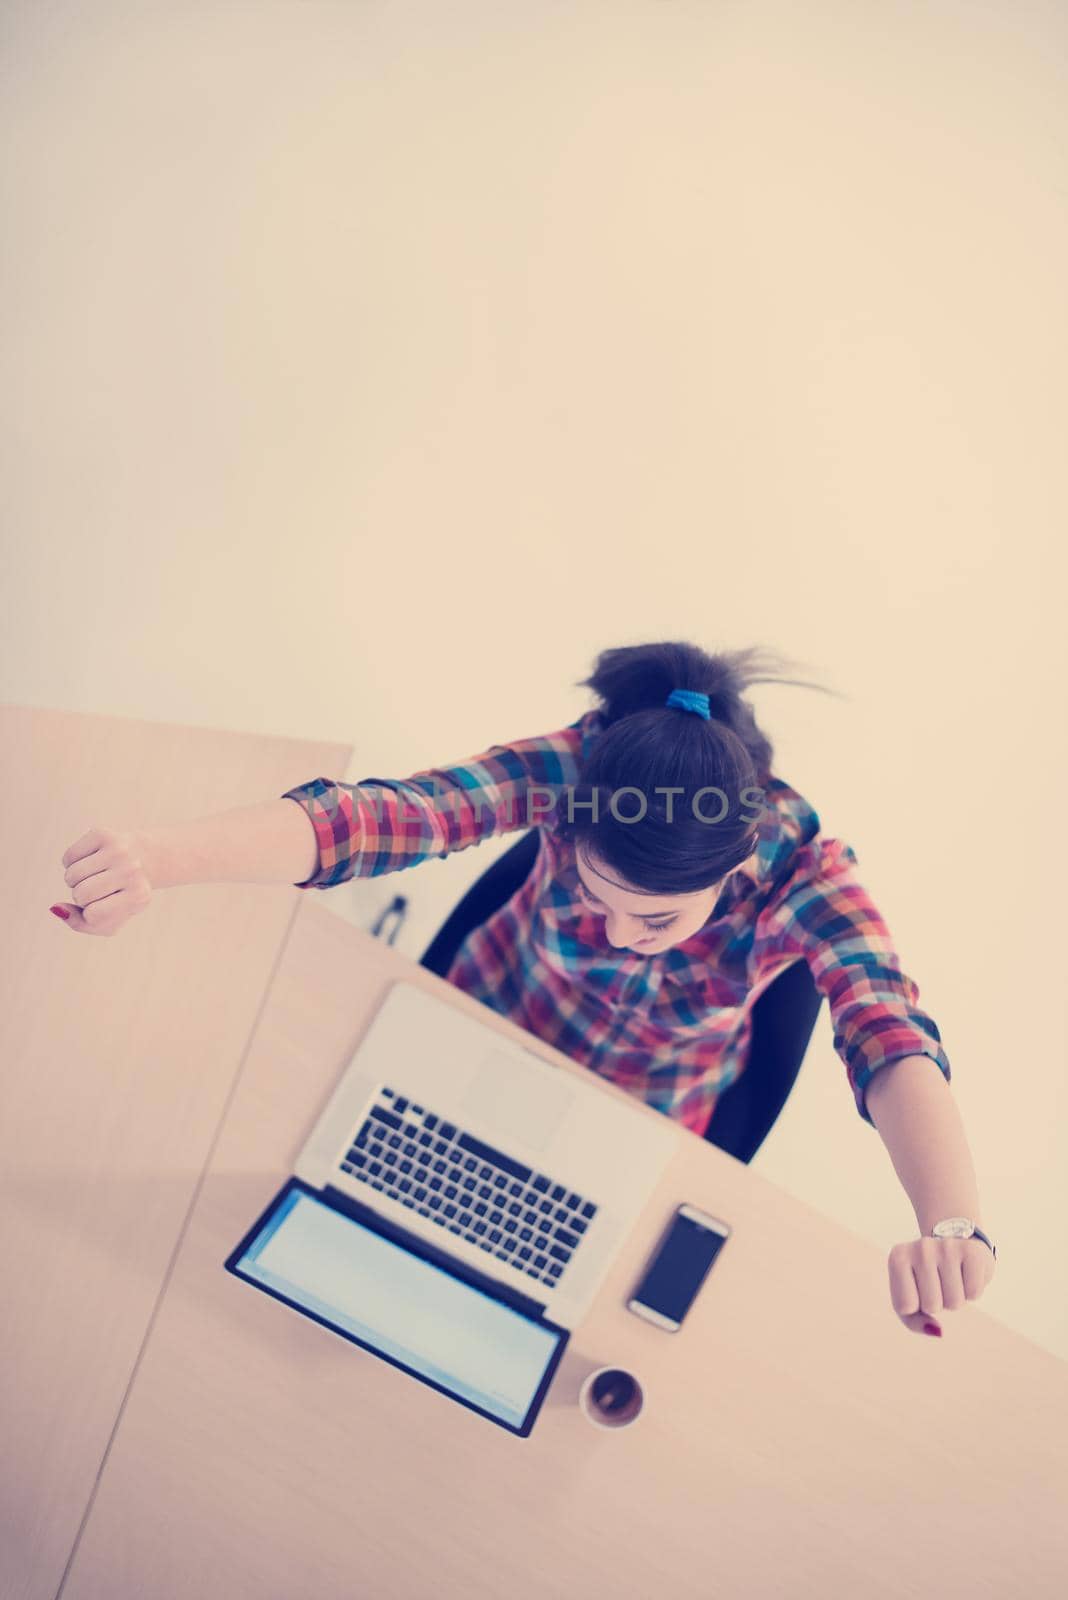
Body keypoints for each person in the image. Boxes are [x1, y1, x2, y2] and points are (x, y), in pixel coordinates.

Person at [50, 638, 996, 1337]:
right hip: (483, 1023)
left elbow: (890, 1033)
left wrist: (950, 1224)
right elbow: (385, 819)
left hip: (639, 1115)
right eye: (595, 896)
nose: (625, 939)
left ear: (737, 860)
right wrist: (157, 859)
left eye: (658, 921)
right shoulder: (576, 768)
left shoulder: (808, 872)